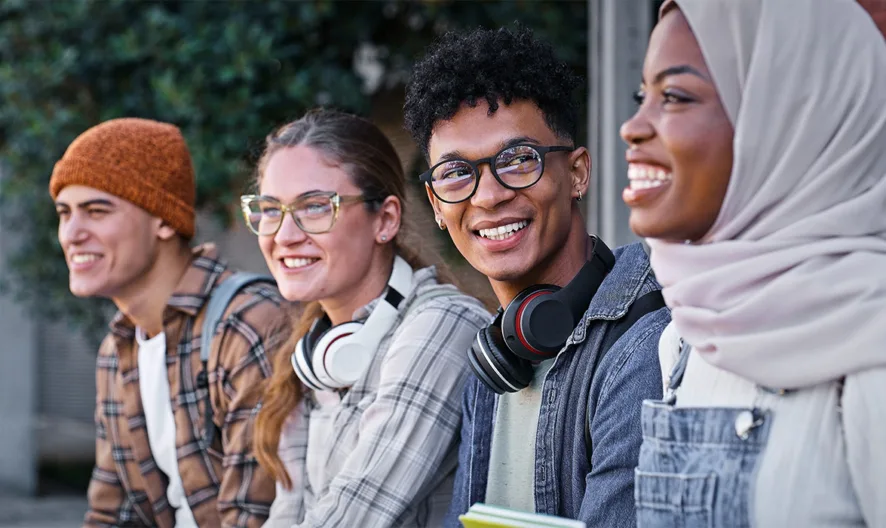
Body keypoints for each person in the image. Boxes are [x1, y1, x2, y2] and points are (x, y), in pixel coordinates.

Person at [620, 0, 886, 525]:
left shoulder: (870, 346)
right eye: (641, 95)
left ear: (791, 121)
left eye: (674, 96)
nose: (632, 126)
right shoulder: (687, 335)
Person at [403, 27, 670, 526]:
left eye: (517, 160)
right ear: (437, 206)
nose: (487, 196)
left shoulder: (645, 344)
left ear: (577, 174)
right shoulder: (495, 361)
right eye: (457, 172)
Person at [247, 109, 490, 527]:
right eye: (270, 210)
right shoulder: (313, 350)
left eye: (315, 207)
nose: (284, 235)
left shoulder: (443, 325)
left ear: (386, 219)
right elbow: (289, 515)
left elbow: (351, 517)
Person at [50, 118, 291, 527]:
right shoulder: (119, 347)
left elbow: (253, 517)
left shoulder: (245, 324)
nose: (71, 233)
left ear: (163, 219)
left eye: (96, 211)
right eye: (64, 213)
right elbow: (112, 513)